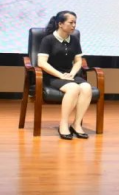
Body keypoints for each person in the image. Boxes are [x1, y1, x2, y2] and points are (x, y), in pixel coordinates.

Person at [36, 11, 93, 140]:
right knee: (74, 88)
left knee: (86, 88)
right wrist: (60, 75)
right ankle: (63, 124)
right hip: (52, 75)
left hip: (69, 74)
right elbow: (42, 63)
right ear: (60, 24)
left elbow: (78, 61)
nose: (74, 25)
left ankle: (76, 124)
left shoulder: (74, 40)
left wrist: (72, 73)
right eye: (71, 22)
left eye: (75, 23)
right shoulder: (48, 40)